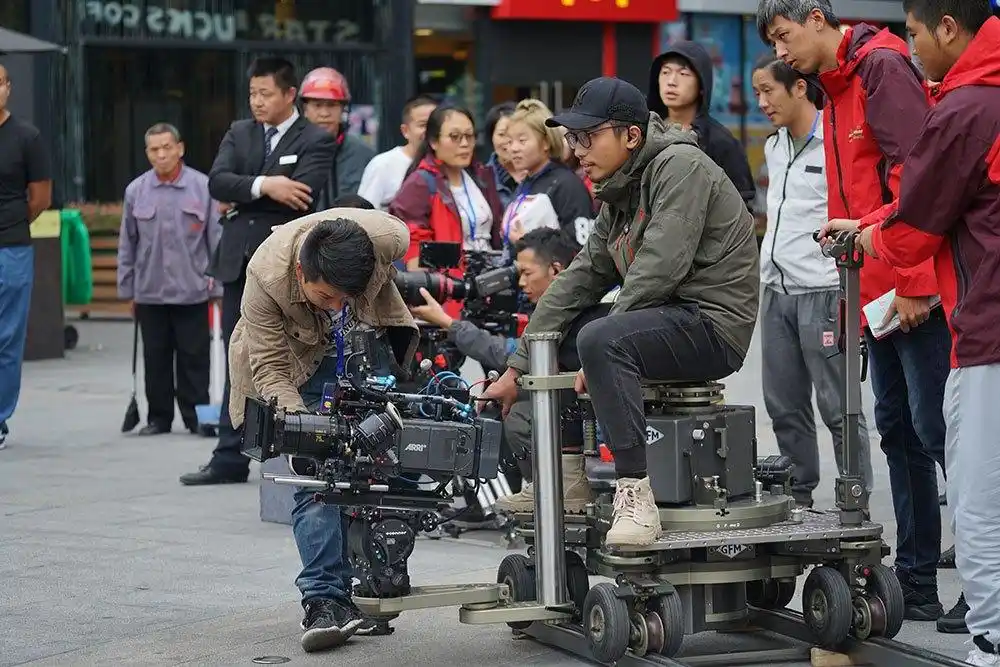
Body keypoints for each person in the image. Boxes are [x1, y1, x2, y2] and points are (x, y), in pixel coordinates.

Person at [482, 77, 759, 547]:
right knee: (567, 331)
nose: (577, 150)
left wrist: (607, 339)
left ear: (630, 136)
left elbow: (660, 268)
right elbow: (577, 278)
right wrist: (518, 365)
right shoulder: (621, 188)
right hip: (669, 315)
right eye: (573, 138)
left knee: (597, 338)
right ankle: (567, 478)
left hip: (713, 324)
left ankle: (636, 492)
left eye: (588, 137)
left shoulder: (680, 166)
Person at [758, 0, 952, 623]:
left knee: (942, 433)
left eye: (785, 38)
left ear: (817, 17)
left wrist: (918, 281)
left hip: (912, 289)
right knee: (900, 430)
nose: (782, 54)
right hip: (875, 292)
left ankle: (988, 580)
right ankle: (918, 579)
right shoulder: (839, 84)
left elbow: (918, 176)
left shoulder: (880, 70)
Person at [822, 2, 1000, 658]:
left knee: (981, 504)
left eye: (919, 33)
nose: (913, 47)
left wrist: (872, 238)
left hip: (987, 330)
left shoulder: (965, 107)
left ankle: (991, 643)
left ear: (948, 28)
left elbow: (922, 220)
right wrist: (877, 224)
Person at [227, 208, 419, 652]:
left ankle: (375, 581)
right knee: (318, 478)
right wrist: (301, 431)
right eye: (325, 296)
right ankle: (324, 600)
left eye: (344, 297)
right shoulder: (265, 278)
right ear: (301, 271)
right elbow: (272, 370)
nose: (335, 306)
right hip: (297, 366)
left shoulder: (388, 239)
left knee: (391, 460)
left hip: (366, 348)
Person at [179, 57, 335, 487]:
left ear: (289, 95)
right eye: (252, 93)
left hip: (286, 265)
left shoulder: (316, 138)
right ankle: (230, 455)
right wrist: (267, 185)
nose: (257, 101)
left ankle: (292, 448)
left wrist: (243, 190)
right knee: (239, 353)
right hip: (238, 261)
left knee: (288, 356)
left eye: (266, 93)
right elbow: (217, 182)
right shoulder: (240, 132)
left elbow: (304, 194)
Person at [750, 56, 874, 507]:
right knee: (782, 402)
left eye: (769, 91)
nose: (762, 102)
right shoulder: (773, 146)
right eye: (757, 92)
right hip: (776, 289)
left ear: (800, 88)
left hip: (824, 290)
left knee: (838, 404)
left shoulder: (835, 142)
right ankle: (797, 493)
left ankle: (854, 495)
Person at [409, 228, 596, 512]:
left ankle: (550, 492)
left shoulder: (575, 307)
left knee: (519, 414)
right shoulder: (544, 307)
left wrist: (450, 323)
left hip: (584, 403)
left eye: (527, 273)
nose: (520, 283)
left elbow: (515, 353)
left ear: (556, 270)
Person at [117, 123, 222, 436]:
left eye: (167, 147)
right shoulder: (136, 191)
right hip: (149, 291)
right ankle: (158, 418)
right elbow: (128, 243)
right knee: (156, 357)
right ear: (147, 152)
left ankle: (197, 417)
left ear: (180, 148)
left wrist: (216, 287)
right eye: (154, 149)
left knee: (195, 358)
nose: (161, 155)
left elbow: (215, 239)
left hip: (192, 290)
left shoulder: (203, 188)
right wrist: (128, 289)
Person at [388, 104, 504, 317]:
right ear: (433, 141)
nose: (465, 144)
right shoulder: (420, 183)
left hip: (488, 286)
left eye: (469, 136)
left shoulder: (482, 176)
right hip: (449, 293)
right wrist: (427, 296)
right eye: (455, 137)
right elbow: (413, 248)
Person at [0, 63, 51, 450]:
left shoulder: (26, 136)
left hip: (11, 247)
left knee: (6, 338)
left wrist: (14, 222)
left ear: (8, 87)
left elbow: (40, 199)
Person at [647, 41, 756, 209]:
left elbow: (740, 205)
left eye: (683, 74)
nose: (671, 81)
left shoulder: (720, 142)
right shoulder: (645, 132)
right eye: (665, 72)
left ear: (702, 84)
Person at [501, 99, 596, 250]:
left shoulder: (568, 185)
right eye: (510, 141)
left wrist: (527, 244)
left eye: (522, 140)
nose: (513, 148)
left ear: (545, 142)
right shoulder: (527, 182)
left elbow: (581, 247)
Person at [299, 67, 375, 209]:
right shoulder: (291, 151)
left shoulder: (364, 154)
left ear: (343, 110)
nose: (324, 113)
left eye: (332, 105)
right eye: (317, 105)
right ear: (305, 110)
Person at [357, 95, 437, 210]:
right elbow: (364, 214)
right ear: (405, 131)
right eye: (423, 125)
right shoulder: (383, 164)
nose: (430, 131)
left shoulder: (448, 165)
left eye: (434, 125)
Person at [483, 102, 521, 209]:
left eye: (515, 134)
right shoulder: (482, 180)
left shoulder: (535, 174)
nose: (508, 141)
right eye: (502, 134)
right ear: (491, 136)